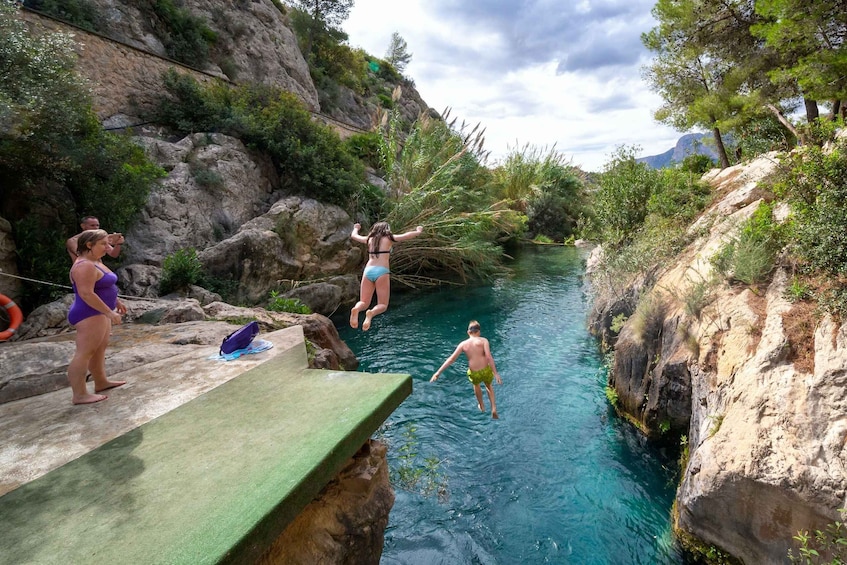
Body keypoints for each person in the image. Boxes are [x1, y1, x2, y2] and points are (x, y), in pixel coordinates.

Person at [67, 229, 127, 404]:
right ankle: (79, 394)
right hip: (89, 313)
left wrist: (116, 301)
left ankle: (101, 382)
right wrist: (108, 312)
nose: (107, 247)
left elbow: (102, 285)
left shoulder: (95, 261)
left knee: (99, 349)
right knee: (84, 353)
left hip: (100, 312)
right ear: (89, 245)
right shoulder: (83, 265)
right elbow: (86, 293)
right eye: (103, 244)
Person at [349, 221, 423, 331]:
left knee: (364, 302)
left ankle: (356, 309)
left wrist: (356, 228)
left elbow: (354, 236)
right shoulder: (389, 238)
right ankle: (371, 313)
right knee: (383, 305)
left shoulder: (369, 239)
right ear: (386, 229)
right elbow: (406, 235)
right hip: (382, 271)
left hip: (368, 270)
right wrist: (418, 231)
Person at [430, 320, 503, 419]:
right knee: (489, 386)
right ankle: (493, 408)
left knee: (476, 385)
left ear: (468, 332)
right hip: (485, 369)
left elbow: (451, 359)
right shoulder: (483, 341)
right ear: (479, 332)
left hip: (474, 372)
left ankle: (481, 405)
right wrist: (496, 373)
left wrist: (438, 373)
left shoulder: (463, 344)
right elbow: (489, 357)